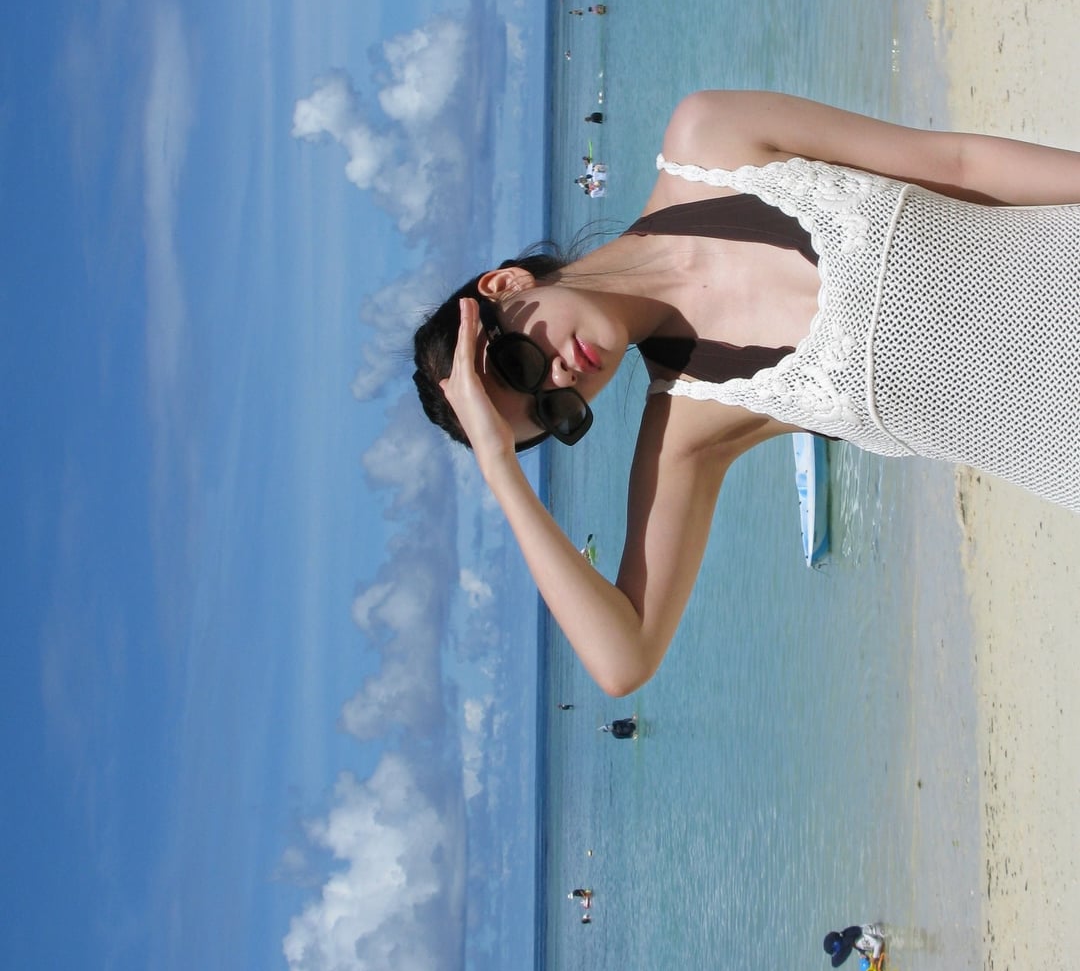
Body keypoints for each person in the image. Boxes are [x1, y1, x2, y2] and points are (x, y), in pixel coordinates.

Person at [412, 89, 1080, 695]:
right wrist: (500, 469)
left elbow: (959, 165)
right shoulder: (691, 427)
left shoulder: (712, 138)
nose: (560, 380)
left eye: (519, 367)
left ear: (506, 286)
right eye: (552, 412)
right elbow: (625, 659)